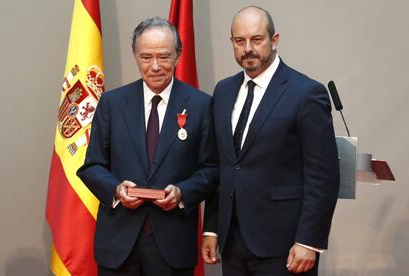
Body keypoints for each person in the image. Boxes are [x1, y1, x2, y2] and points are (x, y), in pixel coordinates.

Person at [202, 6, 339, 275]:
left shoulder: (306, 93)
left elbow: (323, 174)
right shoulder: (224, 90)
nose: (248, 48)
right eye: (240, 41)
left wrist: (309, 240)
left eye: (257, 39)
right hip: (232, 242)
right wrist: (212, 227)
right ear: (232, 43)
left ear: (274, 40)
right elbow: (221, 166)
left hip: (285, 245)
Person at [77, 17, 218, 276]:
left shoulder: (201, 105)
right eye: (146, 57)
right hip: (118, 244)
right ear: (135, 56)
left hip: (173, 245)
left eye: (164, 57)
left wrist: (182, 193)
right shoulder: (112, 103)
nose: (155, 66)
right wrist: (116, 190)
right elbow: (92, 166)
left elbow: (211, 169)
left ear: (177, 56)